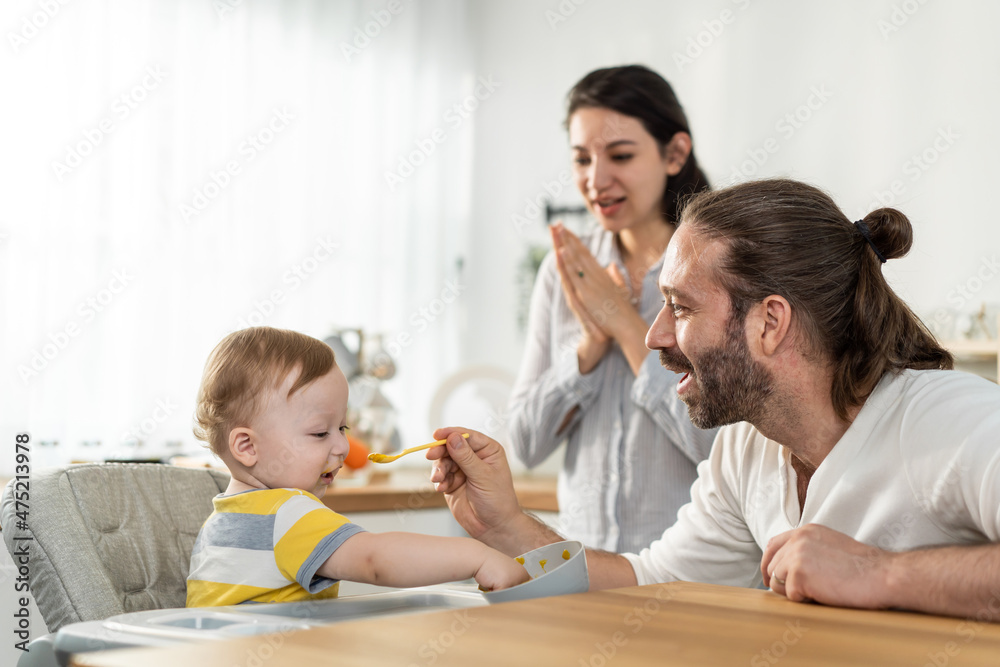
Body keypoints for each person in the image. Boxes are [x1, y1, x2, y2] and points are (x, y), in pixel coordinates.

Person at [429, 178, 1000, 619]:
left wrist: (880, 575)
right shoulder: (747, 449)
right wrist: (505, 525)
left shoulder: (945, 420)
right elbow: (652, 586)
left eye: (679, 307)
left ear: (770, 322)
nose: (654, 336)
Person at [507, 64, 718, 554]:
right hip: (583, 565)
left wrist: (625, 326)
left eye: (620, 155)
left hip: (686, 570)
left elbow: (723, 449)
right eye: (582, 159)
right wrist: (590, 344)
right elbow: (525, 444)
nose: (595, 180)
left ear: (675, 153)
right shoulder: (564, 272)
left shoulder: (720, 269)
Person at [186, 327, 528, 607]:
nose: (343, 446)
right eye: (321, 432)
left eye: (342, 428)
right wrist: (478, 558)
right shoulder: (287, 514)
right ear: (247, 446)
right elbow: (375, 560)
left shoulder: (222, 521)